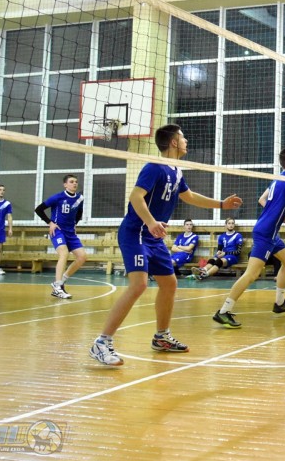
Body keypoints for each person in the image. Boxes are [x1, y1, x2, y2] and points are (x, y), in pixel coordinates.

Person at [89, 124, 242, 366]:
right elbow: (135, 197)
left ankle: (161, 337)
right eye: (182, 137)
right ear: (173, 142)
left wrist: (221, 204)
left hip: (153, 236)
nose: (186, 140)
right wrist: (150, 222)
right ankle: (101, 342)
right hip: (136, 232)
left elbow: (189, 196)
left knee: (169, 284)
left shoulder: (176, 171)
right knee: (139, 285)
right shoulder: (154, 167)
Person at [212, 146, 285, 328]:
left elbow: (262, 200)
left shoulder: (279, 179)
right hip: (265, 233)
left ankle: (279, 302)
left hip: (271, 233)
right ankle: (223, 311)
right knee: (251, 274)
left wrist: (280, 215)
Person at [35, 175, 86, 299]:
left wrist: (75, 224)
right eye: (71, 182)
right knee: (64, 253)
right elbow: (39, 209)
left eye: (76, 182)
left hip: (70, 232)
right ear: (65, 185)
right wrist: (50, 223)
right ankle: (57, 287)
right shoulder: (58, 197)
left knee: (82, 257)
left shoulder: (79, 198)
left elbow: (79, 213)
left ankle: (61, 281)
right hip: (58, 230)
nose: (74, 184)